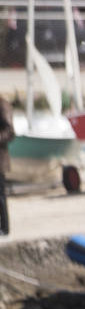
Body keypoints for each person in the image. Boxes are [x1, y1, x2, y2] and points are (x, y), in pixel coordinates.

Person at [0, 97, 12, 237]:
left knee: (0, 195)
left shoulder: (3, 104)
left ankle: (4, 227)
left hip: (0, 160)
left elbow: (10, 131)